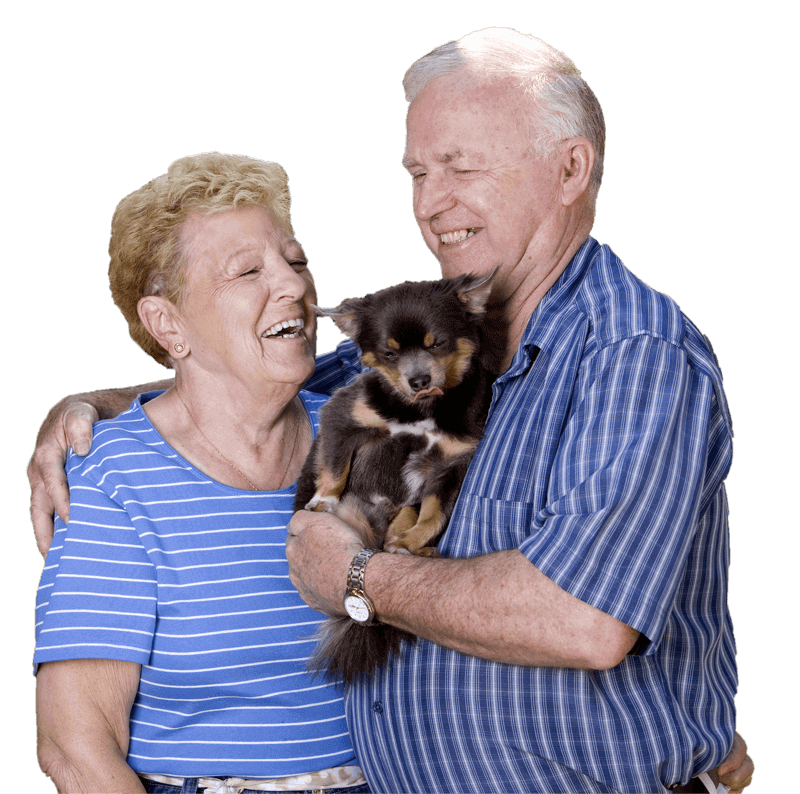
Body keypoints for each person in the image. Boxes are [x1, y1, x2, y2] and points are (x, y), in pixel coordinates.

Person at [28, 32, 754, 794]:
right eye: (418, 172)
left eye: (463, 166)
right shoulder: (412, 355)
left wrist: (355, 578)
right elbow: (248, 381)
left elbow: (583, 619)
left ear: (571, 168)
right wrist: (85, 409)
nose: (433, 202)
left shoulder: (634, 354)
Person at [33, 152, 372, 794]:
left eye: (296, 261)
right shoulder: (116, 473)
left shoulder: (362, 440)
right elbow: (76, 746)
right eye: (248, 271)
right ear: (168, 323)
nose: (294, 286)